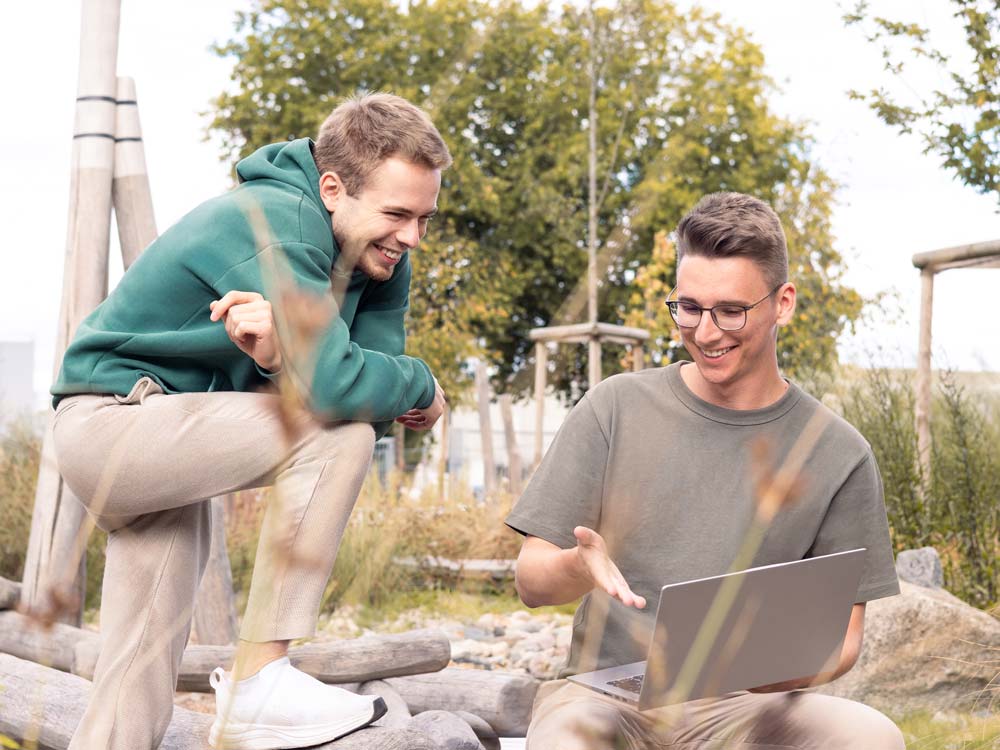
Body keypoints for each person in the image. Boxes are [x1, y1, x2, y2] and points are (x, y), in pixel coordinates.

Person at [51, 92, 450, 750]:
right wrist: (421, 382)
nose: (411, 237)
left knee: (133, 688)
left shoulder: (382, 264)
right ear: (331, 189)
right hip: (115, 422)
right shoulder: (276, 221)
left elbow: (360, 387)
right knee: (331, 431)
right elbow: (346, 393)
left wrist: (284, 363)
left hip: (178, 441)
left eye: (425, 218)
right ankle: (260, 679)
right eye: (397, 214)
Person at [505, 192, 905, 749]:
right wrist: (580, 566)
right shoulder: (614, 407)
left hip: (743, 706)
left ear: (783, 303)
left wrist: (755, 668)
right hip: (605, 698)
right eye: (689, 307)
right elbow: (531, 580)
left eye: (731, 311)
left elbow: (844, 639)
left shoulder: (838, 453)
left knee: (870, 737)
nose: (706, 332)